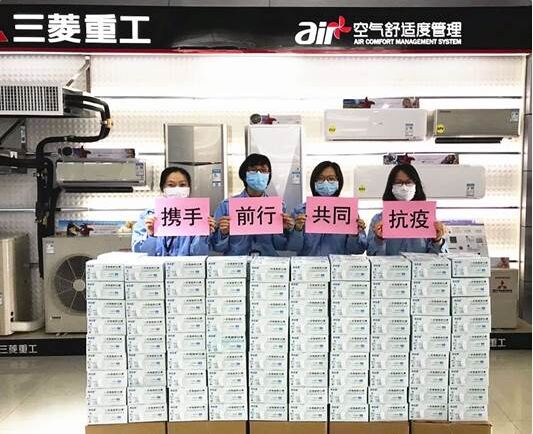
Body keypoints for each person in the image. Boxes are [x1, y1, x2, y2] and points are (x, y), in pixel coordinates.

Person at [211, 153, 294, 256]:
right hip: (236, 263)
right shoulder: (226, 206)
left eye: (263, 170)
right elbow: (216, 247)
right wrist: (224, 233)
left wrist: (283, 230)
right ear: (244, 175)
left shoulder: (277, 207)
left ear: (268, 176)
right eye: (253, 170)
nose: (259, 174)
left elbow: (281, 246)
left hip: (267, 262)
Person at [286, 161, 367, 256]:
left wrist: (354, 234)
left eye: (331, 179)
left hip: (338, 265)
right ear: (314, 182)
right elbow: (292, 247)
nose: (325, 182)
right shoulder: (301, 211)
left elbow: (358, 250)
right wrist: (297, 230)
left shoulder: (347, 211)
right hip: (309, 265)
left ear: (339, 182)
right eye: (320, 179)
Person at [131, 167, 215, 256]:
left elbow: (199, 255)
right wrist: (151, 235)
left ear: (189, 188)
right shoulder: (149, 216)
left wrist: (202, 235)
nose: (177, 189)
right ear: (162, 188)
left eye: (182, 185)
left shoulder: (196, 216)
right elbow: (139, 252)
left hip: (186, 265)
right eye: (171, 185)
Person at [367, 163, 447, 256]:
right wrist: (379, 239)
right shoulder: (378, 220)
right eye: (398, 182)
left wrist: (437, 240)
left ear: (416, 186)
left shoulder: (427, 219)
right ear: (391, 186)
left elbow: (437, 259)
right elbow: (371, 255)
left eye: (409, 182)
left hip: (420, 265)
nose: (404, 187)